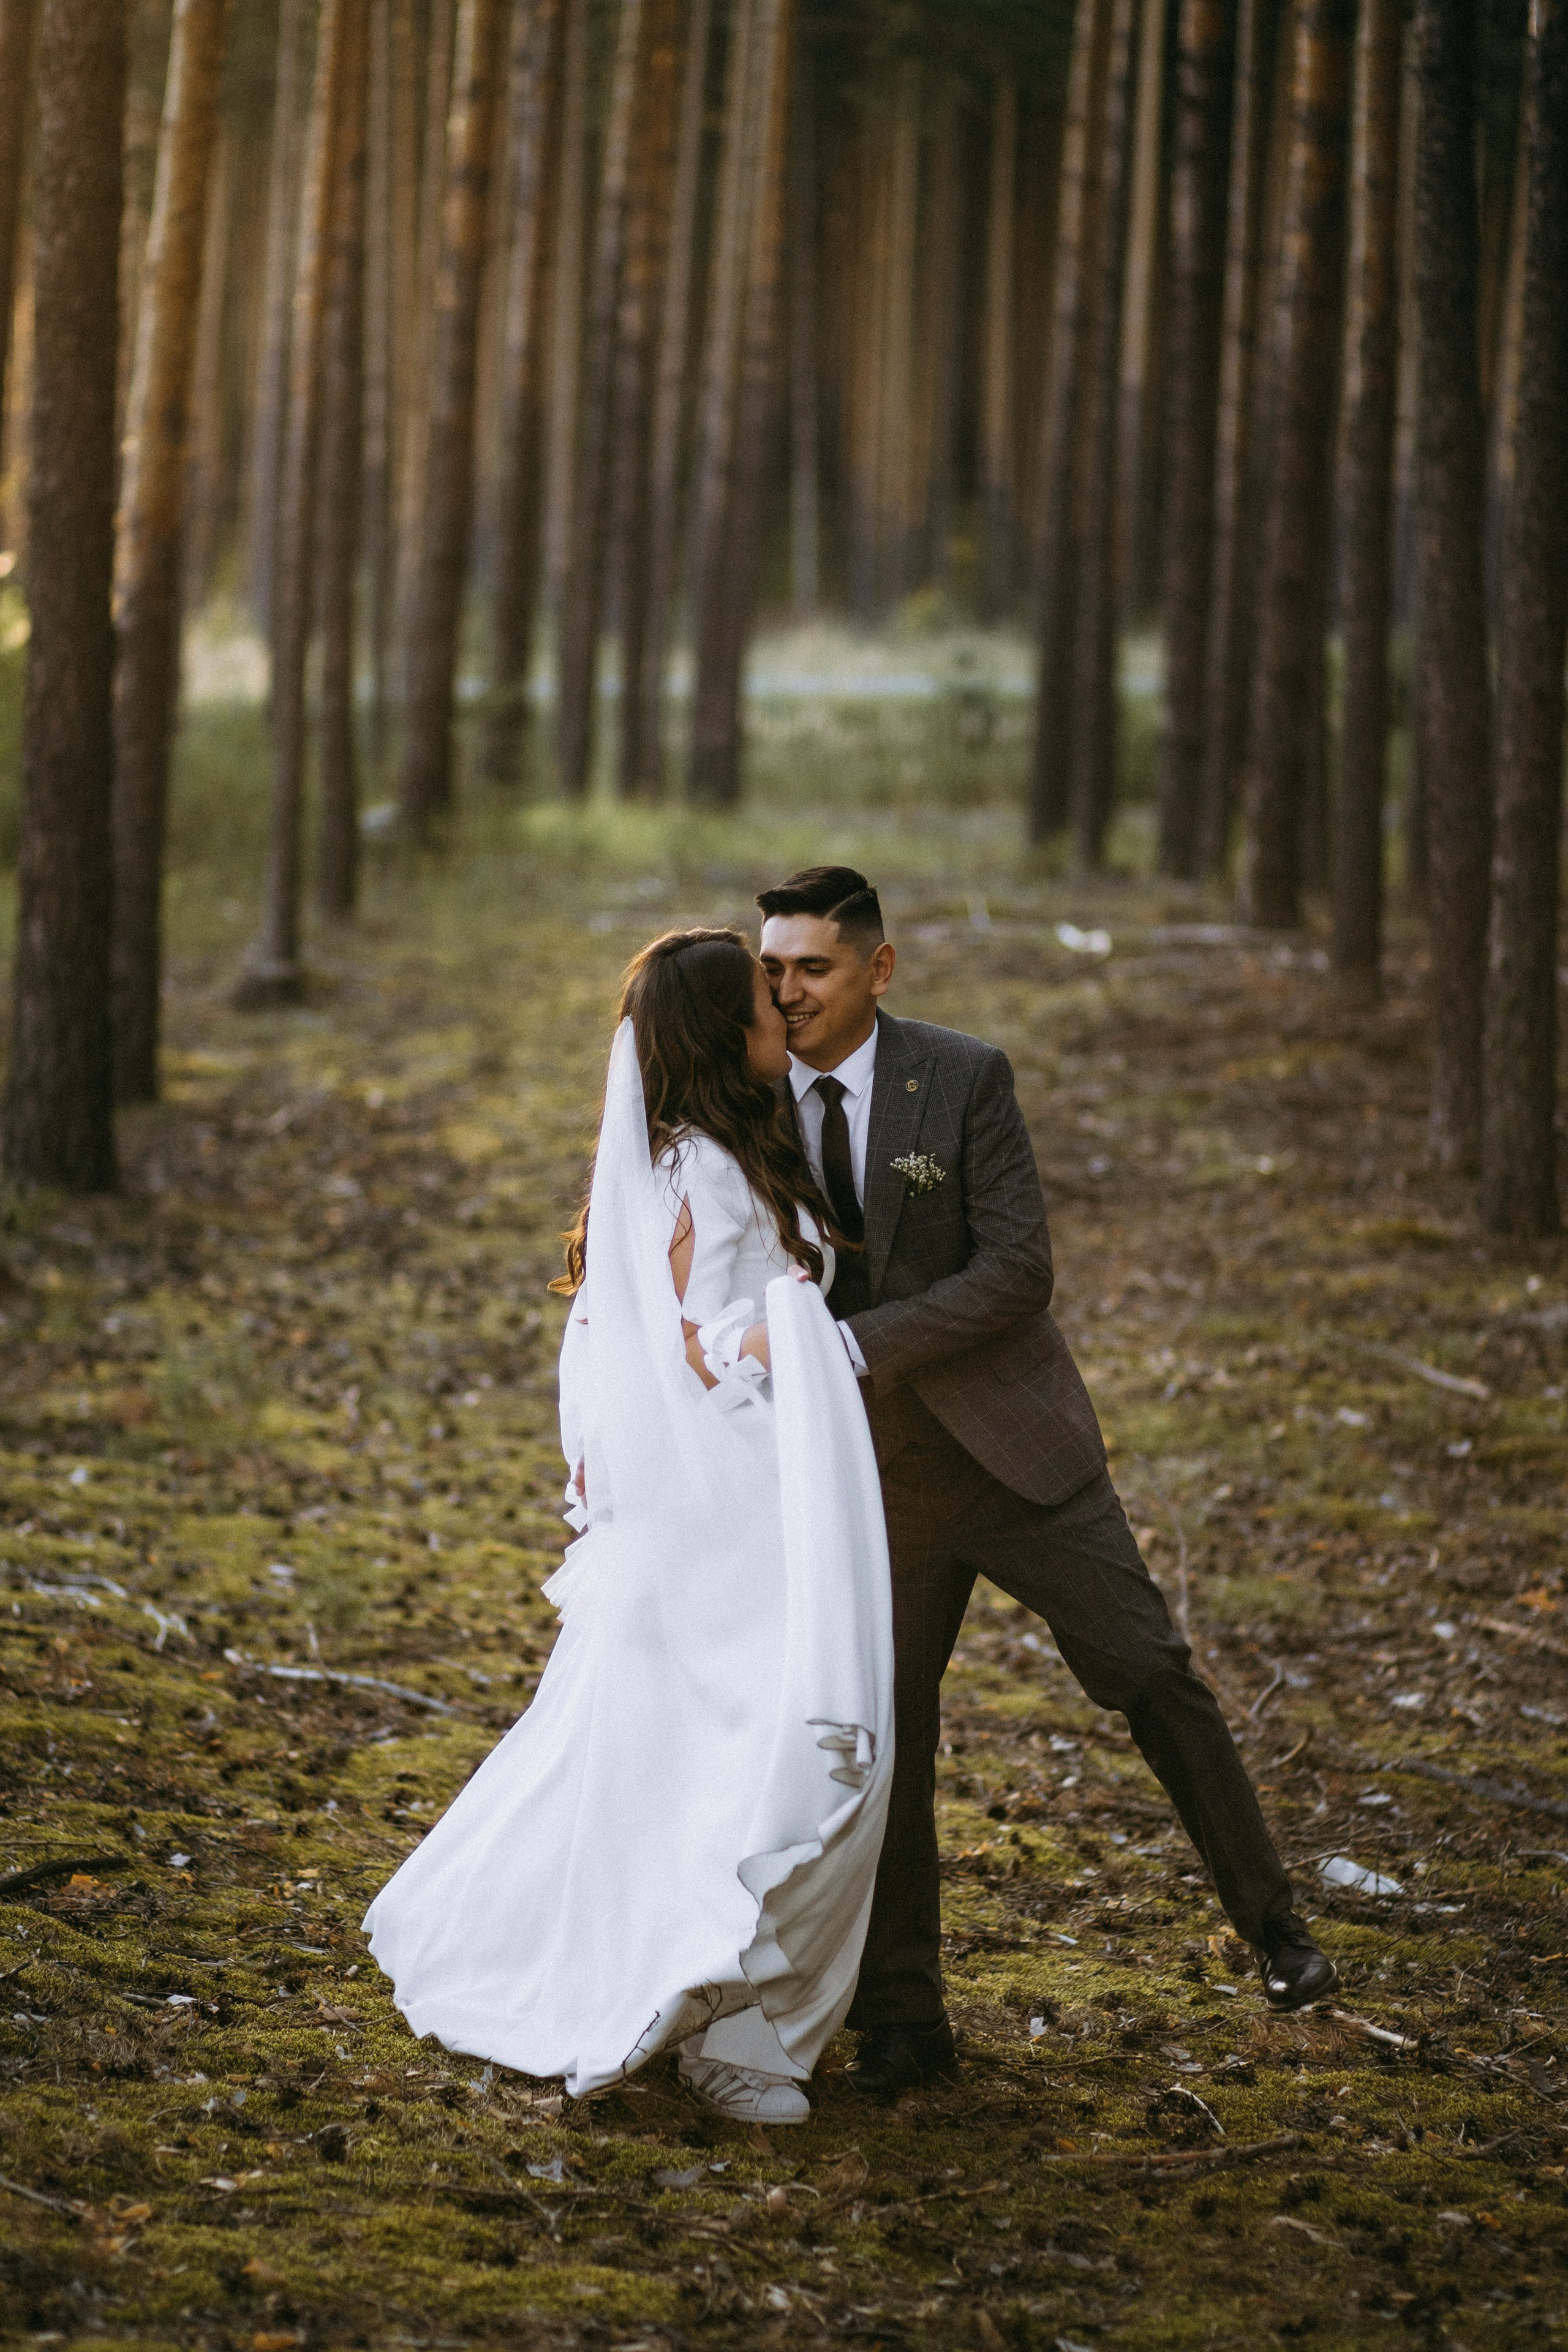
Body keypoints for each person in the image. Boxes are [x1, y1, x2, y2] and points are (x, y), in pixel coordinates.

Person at [756, 865, 1337, 2099]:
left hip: (1019, 1458)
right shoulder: (750, 1101)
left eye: (811, 967)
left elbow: (1017, 1272)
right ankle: (903, 2024)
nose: (787, 990)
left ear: (878, 968)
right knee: (886, 1743)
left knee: (1145, 1669)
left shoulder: (961, 1078)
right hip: (875, 1487)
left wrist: (854, 1344)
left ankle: (1275, 1930)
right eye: (772, 968)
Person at [363, 931, 895, 2125]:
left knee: (714, 1760)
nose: (789, 1011)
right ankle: (710, 2014)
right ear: (723, 1033)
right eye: (768, 1001)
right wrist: (796, 1334)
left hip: (749, 1496)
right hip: (728, 1516)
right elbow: (690, 1349)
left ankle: (725, 2005)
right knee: (748, 1762)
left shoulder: (710, 1157)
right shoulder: (699, 1171)